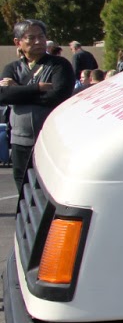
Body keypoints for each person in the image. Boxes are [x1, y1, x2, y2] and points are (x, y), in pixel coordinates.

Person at [0, 19, 78, 193]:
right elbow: (3, 95)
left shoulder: (59, 65)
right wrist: (38, 88)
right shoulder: (12, 68)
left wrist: (18, 91)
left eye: (41, 37)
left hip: (49, 139)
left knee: (48, 188)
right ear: (18, 42)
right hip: (19, 140)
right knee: (23, 187)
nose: (38, 41)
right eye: (31, 38)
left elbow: (57, 96)